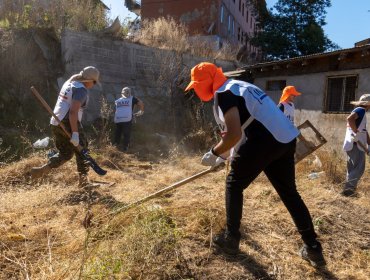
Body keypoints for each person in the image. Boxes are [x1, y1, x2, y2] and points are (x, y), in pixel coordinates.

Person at [184, 62, 326, 267]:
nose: (196, 89)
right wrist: (223, 158)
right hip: (285, 139)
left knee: (233, 184)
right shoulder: (241, 87)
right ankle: (313, 249)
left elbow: (234, 134)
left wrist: (213, 152)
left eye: (197, 84)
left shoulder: (225, 93)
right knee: (289, 193)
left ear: (207, 81)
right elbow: (244, 129)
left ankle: (230, 239)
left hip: (264, 141)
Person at [30, 66, 100, 188]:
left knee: (66, 153)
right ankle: (83, 182)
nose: (93, 85)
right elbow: (73, 112)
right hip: (68, 122)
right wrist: (75, 133)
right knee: (82, 151)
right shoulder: (81, 90)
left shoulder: (70, 82)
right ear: (89, 80)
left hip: (56, 122)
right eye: (94, 82)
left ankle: (41, 170)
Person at [342, 94, 370, 196]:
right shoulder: (360, 110)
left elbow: (363, 130)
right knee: (359, 168)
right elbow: (350, 119)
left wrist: (368, 143)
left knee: (352, 168)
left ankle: (348, 190)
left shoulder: (361, 112)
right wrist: (356, 132)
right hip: (355, 144)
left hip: (352, 144)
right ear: (367, 104)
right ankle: (349, 189)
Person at [113, 87, 144, 151]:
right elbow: (141, 103)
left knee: (118, 133)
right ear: (129, 93)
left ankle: (115, 146)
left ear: (122, 93)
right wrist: (141, 111)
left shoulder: (118, 100)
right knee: (126, 133)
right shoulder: (132, 98)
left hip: (118, 119)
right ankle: (125, 148)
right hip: (127, 119)